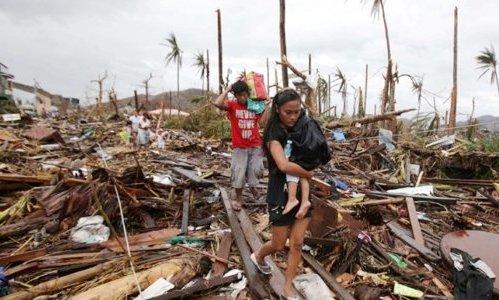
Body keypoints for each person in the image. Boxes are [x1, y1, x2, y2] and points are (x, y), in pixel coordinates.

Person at [251, 88, 327, 300]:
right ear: (278, 110)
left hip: (302, 193)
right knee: (278, 244)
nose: (293, 116)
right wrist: (308, 173)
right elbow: (283, 165)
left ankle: (287, 286)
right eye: (288, 112)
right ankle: (258, 256)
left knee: (297, 243)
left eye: (297, 111)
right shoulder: (274, 135)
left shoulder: (302, 126)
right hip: (280, 193)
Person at [213, 80, 270, 211]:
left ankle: (253, 187)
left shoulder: (254, 106)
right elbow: (217, 103)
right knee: (239, 173)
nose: (242, 98)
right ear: (236, 96)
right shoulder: (232, 106)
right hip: (240, 147)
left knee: (256, 170)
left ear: (248, 94)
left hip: (255, 145)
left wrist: (265, 107)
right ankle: (238, 198)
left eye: (244, 95)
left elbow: (261, 123)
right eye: (239, 95)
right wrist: (227, 90)